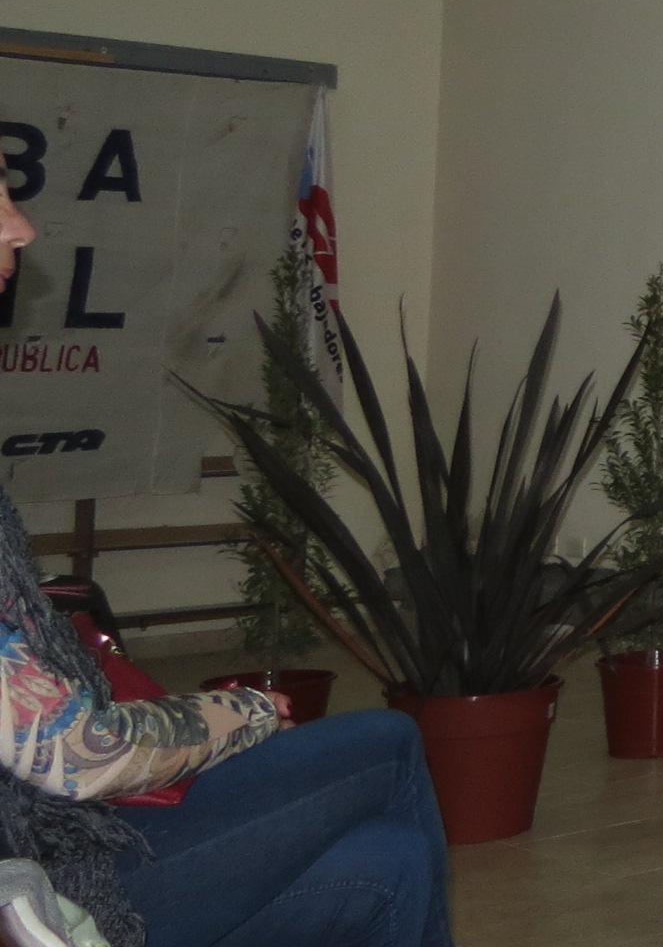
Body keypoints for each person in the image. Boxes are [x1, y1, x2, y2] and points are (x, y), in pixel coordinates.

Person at [0, 161, 451, 947]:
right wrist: (240, 714)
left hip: (57, 834)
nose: (22, 227)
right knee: (388, 742)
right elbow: (79, 757)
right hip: (53, 872)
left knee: (392, 861)